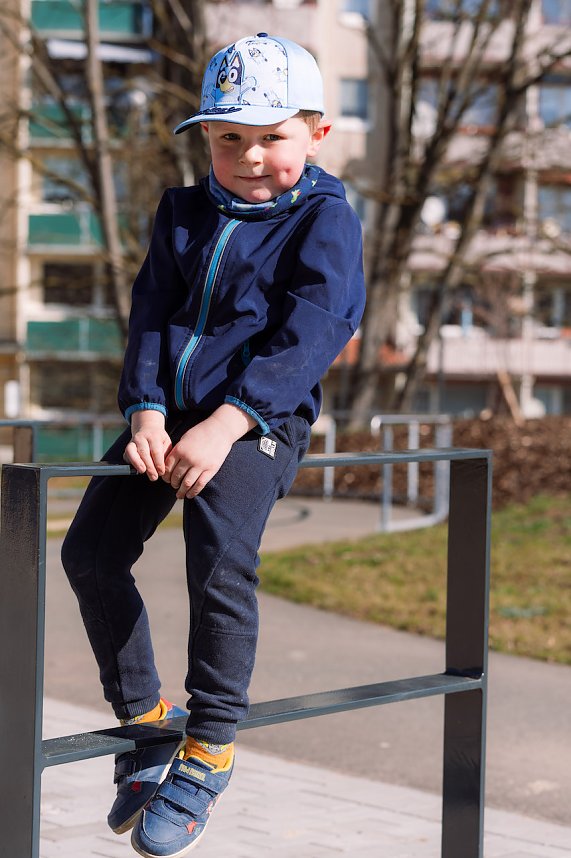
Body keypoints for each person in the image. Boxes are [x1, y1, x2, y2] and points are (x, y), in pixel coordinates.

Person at [61, 32, 366, 858]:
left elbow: (318, 326)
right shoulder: (181, 212)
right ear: (205, 139)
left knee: (217, 559)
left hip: (256, 422)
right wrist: (148, 412)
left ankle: (209, 746)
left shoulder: (324, 217)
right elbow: (153, 313)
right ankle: (147, 723)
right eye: (229, 139)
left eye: (273, 138)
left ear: (315, 135)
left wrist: (230, 421)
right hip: (169, 417)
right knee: (89, 554)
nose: (251, 157)